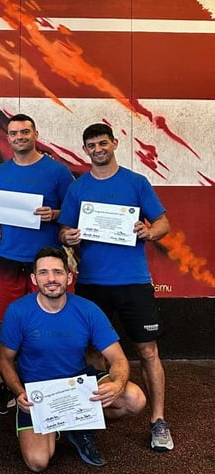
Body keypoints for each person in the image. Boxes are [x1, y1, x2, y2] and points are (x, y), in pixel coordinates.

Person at [59, 122, 173, 452]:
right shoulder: (78, 188)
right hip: (92, 283)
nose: (98, 149)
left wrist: (149, 232)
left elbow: (163, 223)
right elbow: (63, 230)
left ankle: (158, 420)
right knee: (93, 353)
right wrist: (67, 236)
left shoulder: (136, 182)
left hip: (133, 281)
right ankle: (92, 418)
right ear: (85, 150)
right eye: (91, 145)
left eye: (102, 143)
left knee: (147, 351)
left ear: (114, 144)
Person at [0, 246, 146, 471]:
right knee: (38, 462)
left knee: (135, 399)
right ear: (34, 279)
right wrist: (19, 392)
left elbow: (118, 359)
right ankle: (66, 423)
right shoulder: (18, 311)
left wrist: (117, 384)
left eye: (57, 272)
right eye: (43, 272)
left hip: (78, 386)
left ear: (69, 277)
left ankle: (80, 425)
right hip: (38, 392)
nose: (51, 279)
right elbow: (4, 360)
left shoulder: (88, 310)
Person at [0, 114, 73, 412]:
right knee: (4, 323)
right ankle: (5, 385)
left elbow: (75, 211)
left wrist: (54, 215)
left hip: (45, 263)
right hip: (8, 260)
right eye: (13, 133)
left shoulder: (57, 171)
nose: (19, 137)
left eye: (24, 132)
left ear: (35, 134)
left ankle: (54, 385)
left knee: (52, 320)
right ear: (7, 137)